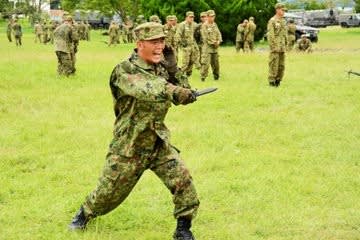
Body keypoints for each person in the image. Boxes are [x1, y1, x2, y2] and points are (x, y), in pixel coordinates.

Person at [68, 22, 200, 240]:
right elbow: (148, 89)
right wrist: (174, 90)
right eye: (154, 42)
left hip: (157, 141)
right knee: (108, 194)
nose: (160, 46)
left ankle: (183, 230)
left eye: (162, 41)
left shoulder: (161, 68)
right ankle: (83, 215)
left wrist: (174, 69)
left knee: (184, 182)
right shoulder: (124, 70)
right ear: (139, 44)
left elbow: (184, 94)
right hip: (129, 145)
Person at [267, 3, 287, 87]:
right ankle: (272, 81)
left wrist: (286, 44)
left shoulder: (283, 21)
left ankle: (278, 80)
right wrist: (273, 46)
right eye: (282, 10)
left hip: (282, 46)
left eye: (284, 10)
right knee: (274, 63)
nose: (284, 12)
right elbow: (270, 35)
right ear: (277, 10)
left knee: (281, 65)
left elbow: (284, 34)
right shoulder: (272, 21)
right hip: (275, 47)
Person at [175, 11, 199, 77]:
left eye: (193, 17)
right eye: (190, 17)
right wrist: (181, 43)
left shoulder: (194, 25)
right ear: (186, 17)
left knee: (192, 61)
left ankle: (188, 75)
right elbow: (177, 35)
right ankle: (179, 75)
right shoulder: (182, 25)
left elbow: (199, 30)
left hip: (192, 46)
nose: (192, 18)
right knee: (185, 62)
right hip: (186, 46)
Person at [200, 10, 222, 81]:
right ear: (207, 17)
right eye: (211, 16)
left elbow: (219, 34)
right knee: (205, 64)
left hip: (215, 49)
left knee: (216, 64)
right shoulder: (204, 25)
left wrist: (218, 41)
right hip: (207, 49)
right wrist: (213, 42)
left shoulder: (215, 25)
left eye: (214, 16)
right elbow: (205, 37)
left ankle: (216, 77)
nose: (213, 18)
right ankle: (203, 78)